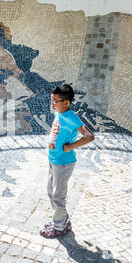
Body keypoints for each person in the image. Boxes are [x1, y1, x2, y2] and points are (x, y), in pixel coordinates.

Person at [40, 84, 95, 238]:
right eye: (52, 100)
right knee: (51, 192)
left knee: (58, 196)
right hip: (54, 161)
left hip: (63, 163)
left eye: (56, 101)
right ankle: (62, 221)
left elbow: (89, 136)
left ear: (66, 102)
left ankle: (59, 228)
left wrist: (69, 147)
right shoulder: (60, 112)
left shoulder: (71, 117)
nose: (53, 104)